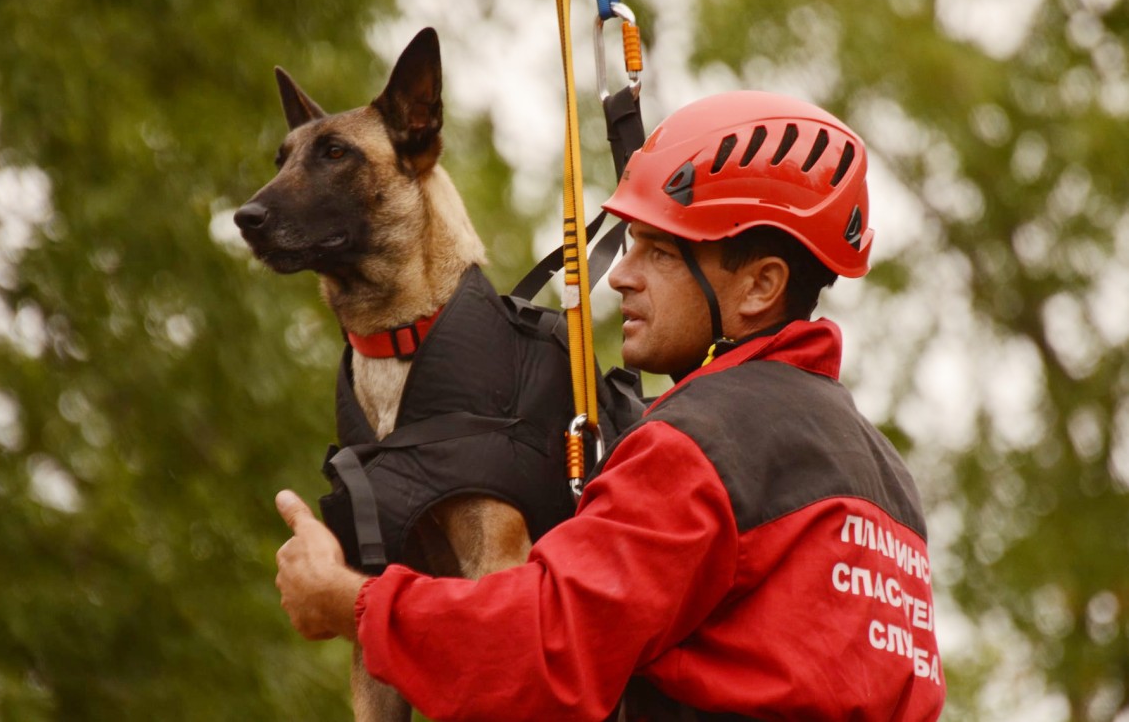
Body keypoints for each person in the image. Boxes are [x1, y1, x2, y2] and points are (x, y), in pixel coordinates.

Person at [274, 91, 946, 720]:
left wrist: (350, 601)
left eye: (658, 251)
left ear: (759, 287)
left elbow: (542, 648)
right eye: (629, 245)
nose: (621, 274)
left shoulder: (699, 444)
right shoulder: (887, 480)